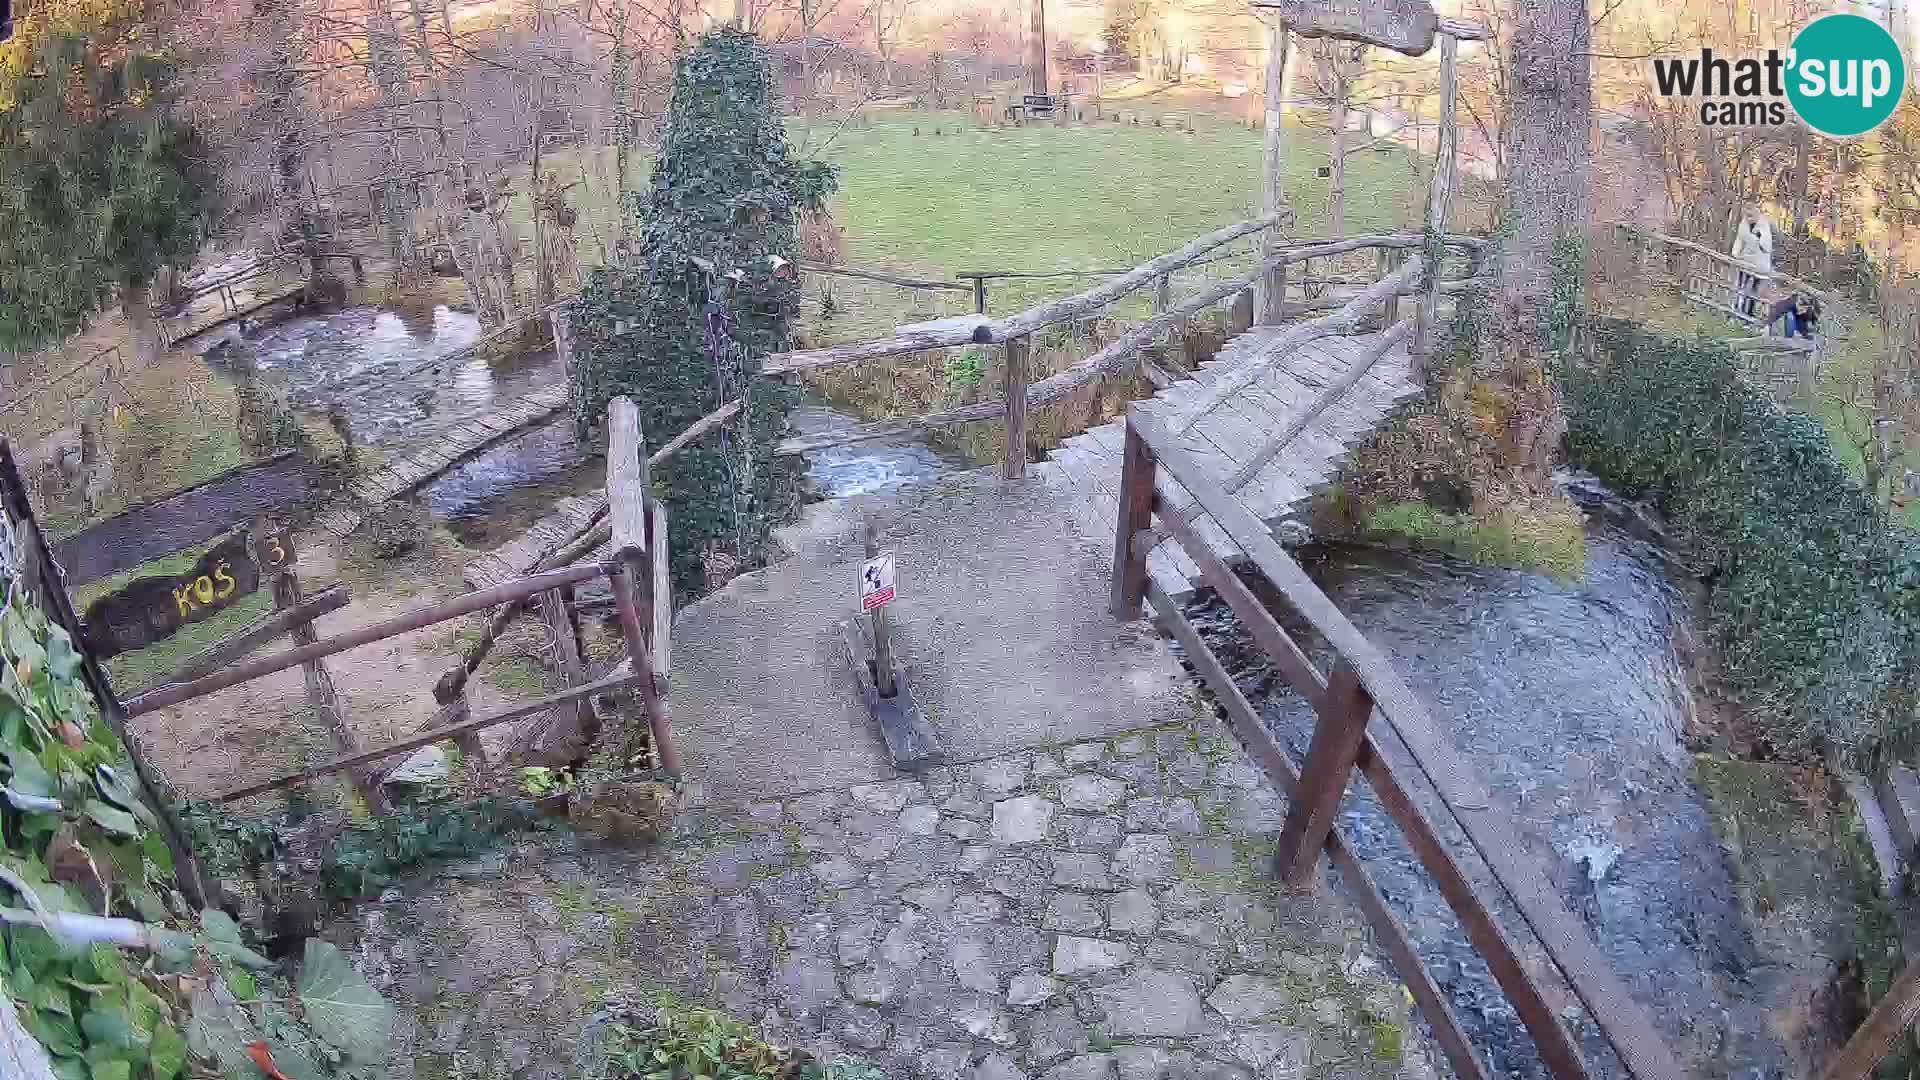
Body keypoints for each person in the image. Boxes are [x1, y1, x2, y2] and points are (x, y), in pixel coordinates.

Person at [1729, 205, 1774, 320]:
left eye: (1751, 215)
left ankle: (1748, 315)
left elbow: (1767, 247)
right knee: (1741, 288)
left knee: (1753, 291)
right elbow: (1739, 239)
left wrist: (1760, 238)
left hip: (1759, 265)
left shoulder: (1764, 226)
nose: (1749, 217)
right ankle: (1736, 311)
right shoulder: (1743, 225)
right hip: (1745, 263)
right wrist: (1735, 254)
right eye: (1747, 215)